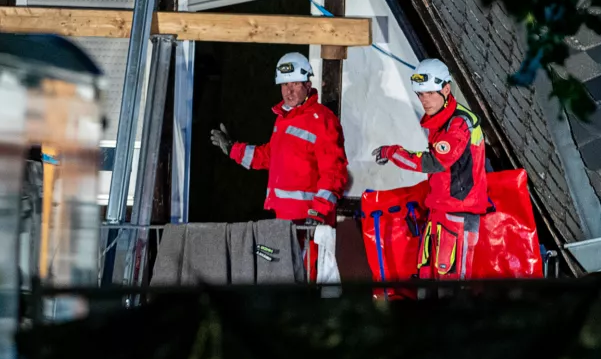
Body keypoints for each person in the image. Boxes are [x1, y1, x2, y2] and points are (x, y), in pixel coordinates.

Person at [372, 58, 488, 281]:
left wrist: (393, 152)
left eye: (430, 93)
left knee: (451, 285)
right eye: (420, 94)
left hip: (458, 214)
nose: (425, 100)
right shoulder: (441, 120)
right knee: (427, 277)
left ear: (446, 89)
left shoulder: (458, 123)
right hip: (440, 210)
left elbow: (434, 162)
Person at [209, 52, 349, 227]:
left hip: (307, 222)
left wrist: (318, 212)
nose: (288, 91)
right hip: (281, 218)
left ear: (307, 84)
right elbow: (271, 155)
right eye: (284, 84)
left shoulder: (322, 120)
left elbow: (334, 172)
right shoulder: (284, 118)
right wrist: (233, 149)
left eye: (295, 84)